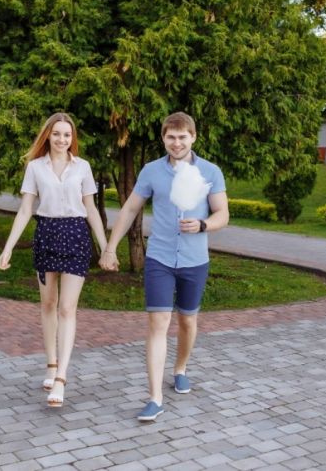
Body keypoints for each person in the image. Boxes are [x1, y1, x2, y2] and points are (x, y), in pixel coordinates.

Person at [100, 112, 229, 421]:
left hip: (195, 260)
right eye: (170, 137)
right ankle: (155, 397)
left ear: (193, 137)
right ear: (163, 139)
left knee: (187, 321)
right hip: (158, 258)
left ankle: (181, 368)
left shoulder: (210, 171)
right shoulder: (151, 171)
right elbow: (131, 208)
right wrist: (109, 246)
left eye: (182, 137)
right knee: (158, 324)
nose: (176, 142)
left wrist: (202, 224)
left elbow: (222, 214)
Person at [0, 112, 108, 408]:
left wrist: (106, 246)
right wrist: (8, 247)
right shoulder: (35, 167)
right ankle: (50, 362)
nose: (62, 139)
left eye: (67, 135)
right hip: (45, 232)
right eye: (57, 134)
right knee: (47, 304)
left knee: (67, 308)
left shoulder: (83, 167)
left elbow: (92, 209)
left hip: (75, 234)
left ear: (73, 139)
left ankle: (61, 378)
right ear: (48, 135)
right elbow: (25, 210)